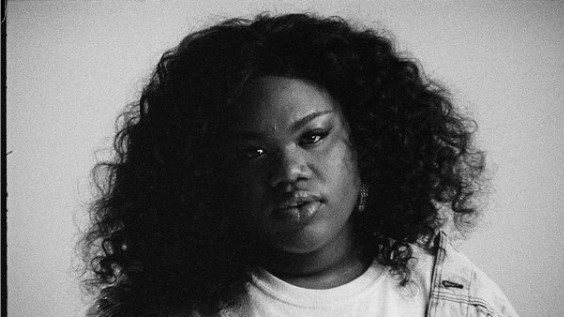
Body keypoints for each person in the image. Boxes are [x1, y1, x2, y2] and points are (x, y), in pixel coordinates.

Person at [80, 13, 519, 317]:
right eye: (251, 152)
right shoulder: (166, 305)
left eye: (313, 137)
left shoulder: (455, 298)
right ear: (209, 175)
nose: (289, 171)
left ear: (367, 141)